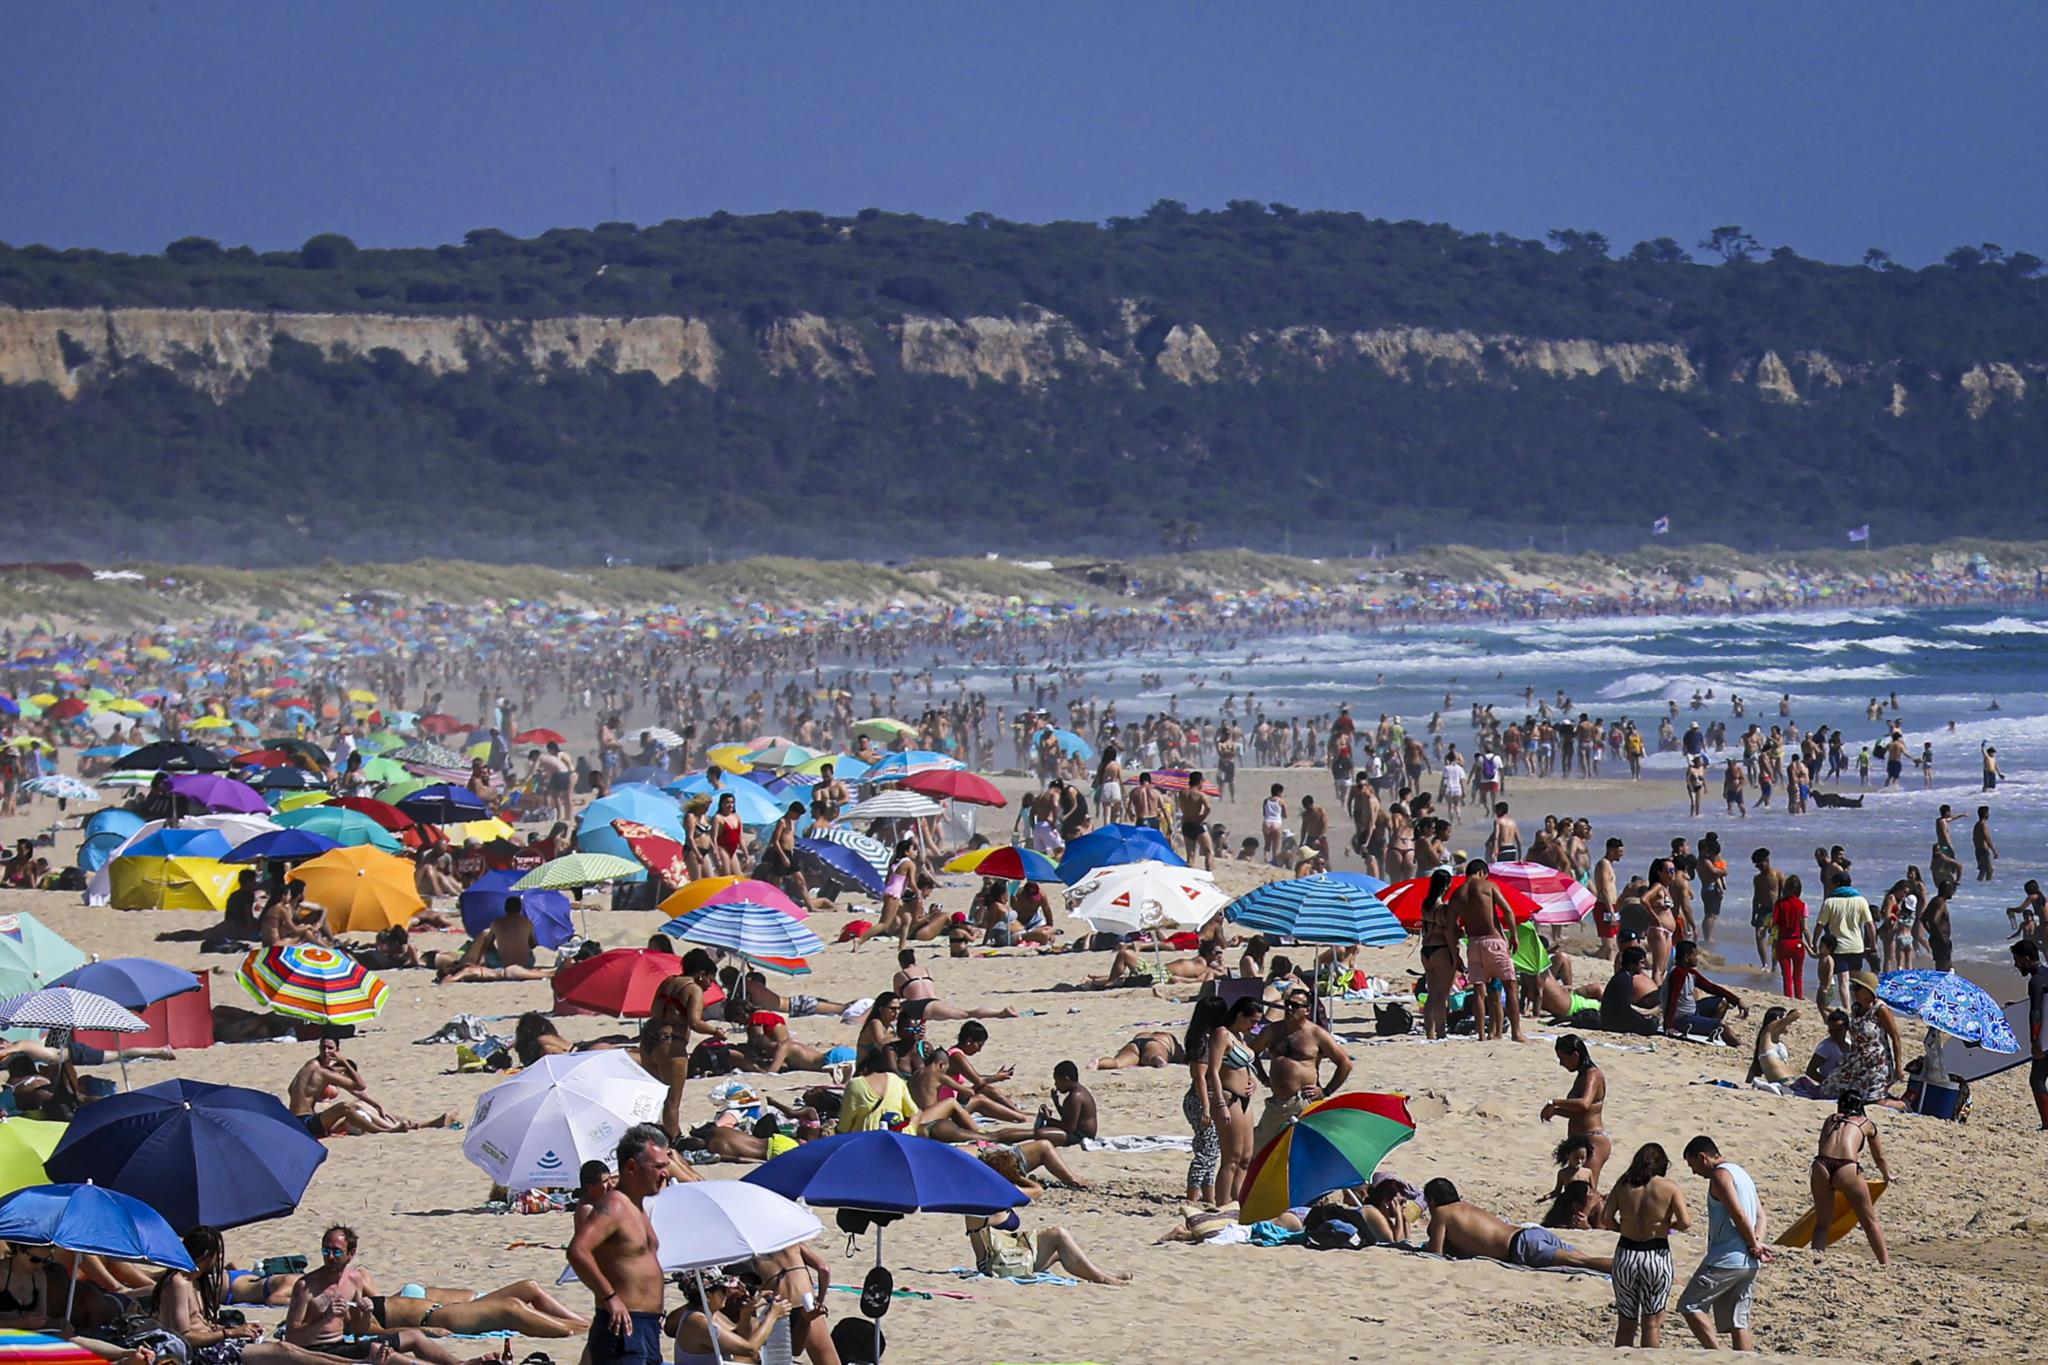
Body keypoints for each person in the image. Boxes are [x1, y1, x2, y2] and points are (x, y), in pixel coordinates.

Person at [161, 1229, 376, 1365]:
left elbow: (199, 1325)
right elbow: (185, 1337)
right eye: (217, 1256)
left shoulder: (194, 1281)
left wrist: (237, 1331)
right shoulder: (179, 1282)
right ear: (205, 1255)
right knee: (283, 1351)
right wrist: (229, 1332)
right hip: (203, 1355)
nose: (219, 1262)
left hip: (217, 1344)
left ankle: (355, 1363)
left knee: (286, 1349)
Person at [565, 1124, 672, 1365]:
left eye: (665, 1166)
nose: (664, 1174)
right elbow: (577, 1251)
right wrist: (609, 1297)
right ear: (632, 1167)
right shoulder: (614, 1206)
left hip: (647, 1326)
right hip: (623, 1327)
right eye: (657, 1167)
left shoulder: (637, 1207)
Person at [1678, 1135, 1768, 1352]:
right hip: (1748, 1262)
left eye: (1693, 1165)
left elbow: (1738, 1214)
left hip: (1727, 1258)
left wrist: (1753, 1244)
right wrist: (1757, 1243)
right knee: (1739, 1322)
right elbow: (1761, 1217)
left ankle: (1715, 1354)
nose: (1694, 1172)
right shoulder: (1742, 1173)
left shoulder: (1720, 1176)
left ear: (1702, 1157)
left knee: (1689, 1305)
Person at [1603, 1143, 1691, 1349]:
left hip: (1626, 1253)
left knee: (1626, 1323)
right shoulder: (1669, 1187)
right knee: (1651, 1323)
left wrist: (1623, 1228)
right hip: (1656, 1253)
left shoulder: (1623, 1184)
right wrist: (1668, 1227)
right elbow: (1685, 1222)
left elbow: (1606, 1218)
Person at [1421, 1178, 1610, 1271]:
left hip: (1521, 1246)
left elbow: (1435, 1254)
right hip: (1530, 1233)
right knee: (1586, 1260)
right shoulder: (1464, 1207)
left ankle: (1630, 1268)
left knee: (1584, 1263)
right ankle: (1624, 1267)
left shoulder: (1441, 1212)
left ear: (1432, 1201)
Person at [1249, 984, 1351, 1153]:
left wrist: (1326, 1091)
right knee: (1258, 1148)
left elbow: (1345, 1063)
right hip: (1277, 1103)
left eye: (1296, 1006)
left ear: (1307, 1010)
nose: (1289, 1009)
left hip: (1303, 1101)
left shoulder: (1316, 1034)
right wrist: (1262, 1077)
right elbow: (1251, 1053)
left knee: (1309, 1150)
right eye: (1288, 1004)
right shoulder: (1272, 1031)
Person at [1809, 1095, 1892, 1264]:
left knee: (1822, 1223)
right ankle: (1885, 1263)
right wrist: (1887, 1175)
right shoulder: (1865, 1123)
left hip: (1821, 1165)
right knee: (1869, 1222)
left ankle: (1816, 1260)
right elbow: (1880, 1157)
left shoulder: (1831, 1119)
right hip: (1846, 1168)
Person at [1449, 860, 1524, 1042]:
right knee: (1511, 986)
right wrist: (1514, 935)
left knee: (1478, 991)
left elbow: (1450, 928)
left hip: (1473, 944)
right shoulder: (1488, 885)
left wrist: (1455, 953)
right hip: (1493, 941)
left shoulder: (1457, 894)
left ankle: (1482, 1035)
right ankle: (1516, 1033)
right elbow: (1507, 910)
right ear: (1482, 872)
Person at [963, 1209, 1129, 1285]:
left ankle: (1101, 1274)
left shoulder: (991, 1200)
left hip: (1013, 1251)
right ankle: (1101, 1278)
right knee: (1058, 1235)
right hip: (996, 1262)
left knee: (1063, 1251)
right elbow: (1031, 1193)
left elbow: (1036, 1190)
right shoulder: (975, 1209)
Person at [667, 1271, 786, 1365]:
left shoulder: (699, 1316)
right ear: (708, 1295)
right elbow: (749, 1350)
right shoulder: (698, 1323)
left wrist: (746, 1313)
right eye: (723, 1290)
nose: (726, 1294)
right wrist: (773, 1315)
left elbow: (740, 1339)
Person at [1539, 1035, 1609, 1184]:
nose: (1561, 1064)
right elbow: (1580, 1112)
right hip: (1579, 1142)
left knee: (1586, 1189)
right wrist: (1556, 1111)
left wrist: (1554, 1102)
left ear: (1575, 1055)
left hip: (1592, 1141)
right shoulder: (1582, 1076)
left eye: (1563, 1059)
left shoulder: (1593, 1074)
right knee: (1574, 1187)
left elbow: (1584, 1104)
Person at [1661, 940, 1749, 1046]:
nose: (1697, 958)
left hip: (1693, 1011)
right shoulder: (1678, 973)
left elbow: (1712, 988)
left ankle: (1709, 1029)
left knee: (1722, 1002)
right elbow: (1672, 999)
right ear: (1687, 957)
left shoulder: (1690, 973)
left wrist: (1737, 1001)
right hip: (1681, 1019)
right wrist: (1668, 1026)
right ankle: (1739, 1045)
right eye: (1695, 955)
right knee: (1722, 1027)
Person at [1415, 868, 1458, 1040]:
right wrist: (1456, 955)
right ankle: (1441, 1032)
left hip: (1426, 950)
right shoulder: (1443, 909)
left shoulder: (1425, 905)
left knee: (1432, 994)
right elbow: (1449, 933)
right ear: (1447, 885)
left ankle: (1429, 1032)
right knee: (1442, 995)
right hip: (1441, 949)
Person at [2011, 938, 2048, 1129]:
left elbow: (2037, 1012)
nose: (2015, 964)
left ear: (2026, 959)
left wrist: (2035, 1041)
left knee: (2037, 1079)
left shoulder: (2036, 981)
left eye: (2017, 959)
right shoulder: (2046, 974)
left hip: (2045, 1038)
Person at [1772, 874, 1807, 999]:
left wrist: (1773, 941)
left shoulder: (1779, 904)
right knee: (1798, 975)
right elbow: (1804, 928)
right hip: (1797, 942)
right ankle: (1799, 997)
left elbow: (1774, 924)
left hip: (1783, 942)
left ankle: (1789, 997)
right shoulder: (1802, 905)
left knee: (1786, 976)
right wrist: (1811, 944)